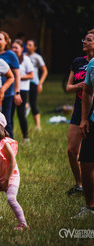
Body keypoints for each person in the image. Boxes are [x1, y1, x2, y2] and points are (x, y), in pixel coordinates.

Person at [66, 30, 94, 196]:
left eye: (88, 40)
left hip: (92, 109)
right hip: (79, 108)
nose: (84, 41)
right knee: (71, 150)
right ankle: (80, 184)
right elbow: (68, 87)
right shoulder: (78, 62)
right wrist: (78, 87)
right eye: (84, 39)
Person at [75, 56, 94, 218]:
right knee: (86, 163)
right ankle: (90, 208)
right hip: (92, 121)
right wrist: (83, 118)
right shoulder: (92, 64)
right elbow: (88, 91)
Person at [0, 31, 21, 138]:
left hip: (7, 93)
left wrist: (17, 92)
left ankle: (10, 144)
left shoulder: (10, 55)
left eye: (0, 39)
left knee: (6, 120)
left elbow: (17, 74)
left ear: (6, 42)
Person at [11, 39, 33, 142]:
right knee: (9, 114)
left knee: (21, 114)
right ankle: (9, 137)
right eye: (13, 47)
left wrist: (18, 77)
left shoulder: (26, 59)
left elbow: (31, 75)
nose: (14, 49)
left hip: (22, 90)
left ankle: (26, 137)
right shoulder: (10, 58)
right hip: (11, 89)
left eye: (16, 47)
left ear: (22, 49)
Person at [25, 39, 48, 130]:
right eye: (27, 44)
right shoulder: (23, 56)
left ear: (34, 47)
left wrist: (40, 83)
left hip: (34, 82)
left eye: (30, 45)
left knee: (33, 103)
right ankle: (27, 108)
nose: (27, 46)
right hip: (24, 82)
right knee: (23, 102)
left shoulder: (37, 57)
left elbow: (45, 71)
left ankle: (38, 126)